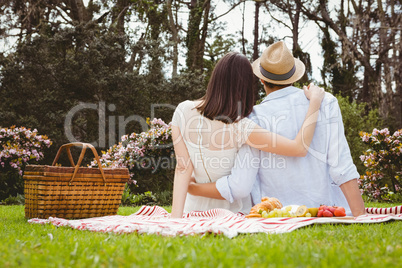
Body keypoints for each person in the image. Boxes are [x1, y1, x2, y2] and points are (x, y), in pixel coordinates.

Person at [187, 41, 366, 217]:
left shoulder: (252, 118)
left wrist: (194, 188)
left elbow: (239, 184)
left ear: (261, 79)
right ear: (294, 75)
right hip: (325, 211)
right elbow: (341, 165)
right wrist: (360, 215)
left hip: (277, 215)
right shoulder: (325, 101)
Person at [170, 47, 325, 218]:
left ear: (215, 79)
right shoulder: (243, 127)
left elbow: (182, 168)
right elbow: (298, 148)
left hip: (191, 211)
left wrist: (175, 218)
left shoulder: (182, 110)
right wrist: (315, 103)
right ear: (245, 88)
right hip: (232, 215)